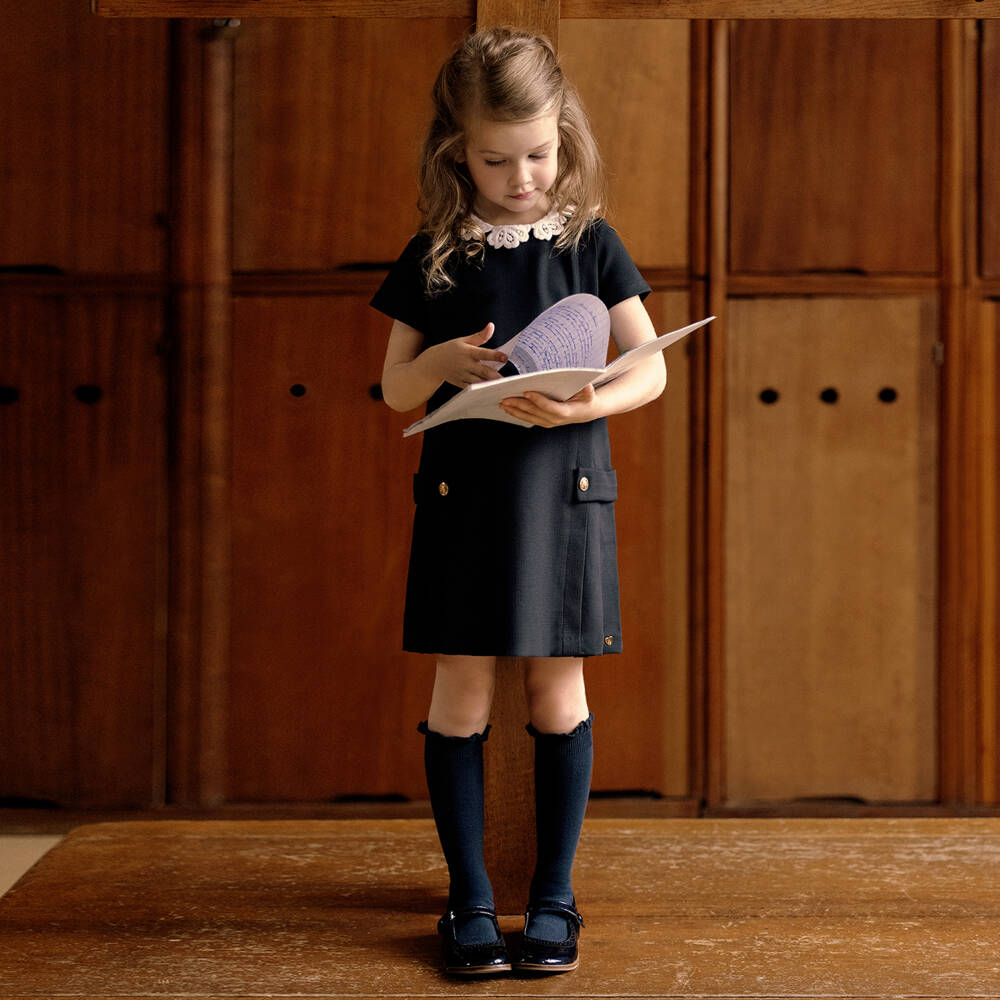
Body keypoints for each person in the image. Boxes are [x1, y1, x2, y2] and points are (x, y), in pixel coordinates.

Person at [371, 27, 665, 977]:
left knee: (557, 693)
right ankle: (468, 901)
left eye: (537, 154)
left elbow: (650, 368)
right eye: (496, 160)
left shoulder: (591, 244)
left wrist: (588, 404)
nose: (521, 177)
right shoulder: (436, 253)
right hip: (464, 498)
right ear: (456, 151)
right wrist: (441, 363)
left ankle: (553, 900)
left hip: (565, 498)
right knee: (458, 693)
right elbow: (396, 390)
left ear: (563, 136)